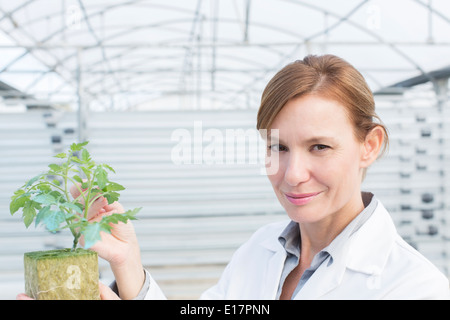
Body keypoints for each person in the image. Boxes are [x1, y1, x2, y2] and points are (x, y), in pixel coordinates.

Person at [17, 54, 450, 300]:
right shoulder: (261, 251)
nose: (293, 174)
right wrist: (129, 265)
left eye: (319, 147)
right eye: (277, 147)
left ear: (369, 146)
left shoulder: (414, 288)